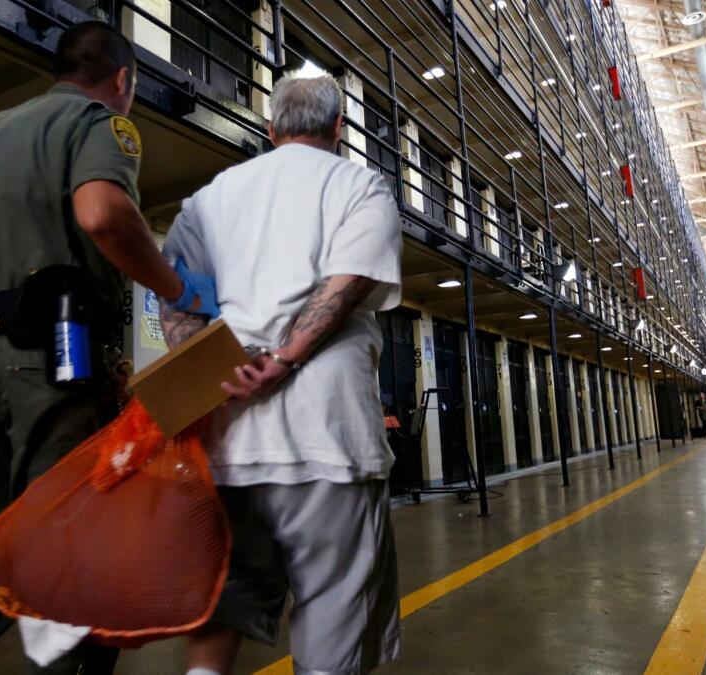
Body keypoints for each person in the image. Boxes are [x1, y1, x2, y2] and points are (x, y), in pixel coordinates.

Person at [0, 22, 217, 675]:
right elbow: (102, 214)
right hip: (44, 364)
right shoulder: (102, 125)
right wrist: (178, 285)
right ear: (123, 80)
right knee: (71, 542)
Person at [160, 76, 403, 674]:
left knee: (225, 595)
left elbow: (176, 300)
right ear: (338, 129)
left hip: (225, 433)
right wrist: (284, 360)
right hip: (327, 435)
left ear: (271, 130)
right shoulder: (361, 185)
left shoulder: (210, 197)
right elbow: (347, 282)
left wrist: (222, 372)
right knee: (334, 599)